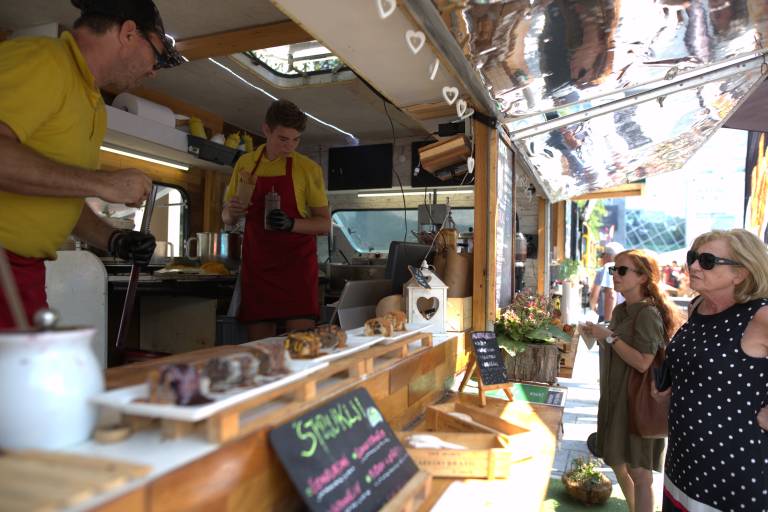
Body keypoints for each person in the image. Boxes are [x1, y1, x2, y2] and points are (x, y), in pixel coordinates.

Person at [0, 0, 183, 329]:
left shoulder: (93, 105)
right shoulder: (43, 60)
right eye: (156, 55)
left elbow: (57, 193)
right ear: (128, 33)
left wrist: (114, 239)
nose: (153, 70)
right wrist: (102, 182)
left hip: (24, 272)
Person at [652, 229, 768, 512]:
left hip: (737, 471)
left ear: (740, 273)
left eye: (707, 261)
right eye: (693, 257)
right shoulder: (697, 307)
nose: (693, 266)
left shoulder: (760, 315)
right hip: (684, 459)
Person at [222, 100, 331, 340]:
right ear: (266, 130)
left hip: (297, 269)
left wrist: (291, 223)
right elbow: (227, 218)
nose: (289, 146)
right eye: (283, 139)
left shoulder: (308, 169)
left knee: (301, 346)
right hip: (258, 266)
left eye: (295, 140)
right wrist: (234, 211)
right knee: (261, 349)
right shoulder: (245, 164)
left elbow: (324, 224)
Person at [582, 249, 681, 512]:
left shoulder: (647, 313)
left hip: (637, 401)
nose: (615, 275)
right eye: (613, 269)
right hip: (617, 395)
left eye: (622, 270)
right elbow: (617, 347)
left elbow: (643, 362)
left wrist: (609, 337)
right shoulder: (622, 309)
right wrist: (597, 334)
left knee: (640, 473)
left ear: (642, 277)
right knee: (616, 460)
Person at [589, 241, 624, 322]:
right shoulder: (624, 270)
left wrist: (607, 322)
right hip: (622, 316)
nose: (602, 259)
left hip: (609, 317)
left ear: (608, 256)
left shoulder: (609, 267)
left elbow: (610, 294)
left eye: (603, 255)